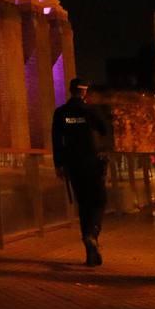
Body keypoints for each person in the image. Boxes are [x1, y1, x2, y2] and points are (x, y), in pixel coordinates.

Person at [52, 78, 110, 266]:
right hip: (92, 162)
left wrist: (58, 164)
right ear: (84, 92)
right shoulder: (91, 111)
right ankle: (92, 234)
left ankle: (89, 249)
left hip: (72, 165)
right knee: (99, 200)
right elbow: (104, 130)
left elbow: (56, 140)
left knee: (83, 203)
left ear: (70, 91)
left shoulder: (60, 113)